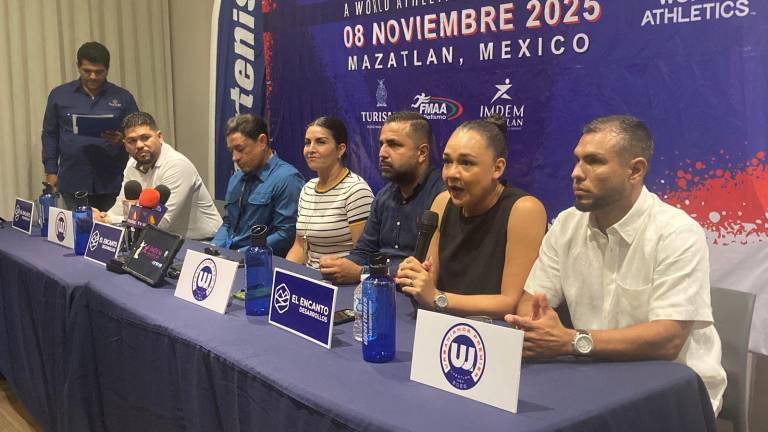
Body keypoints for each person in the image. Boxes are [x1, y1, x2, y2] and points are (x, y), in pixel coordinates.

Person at [504, 115, 727, 413]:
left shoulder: (677, 233)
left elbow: (668, 340)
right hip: (593, 376)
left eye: (593, 162)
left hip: (673, 388)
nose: (576, 173)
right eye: (577, 160)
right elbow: (530, 300)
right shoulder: (566, 224)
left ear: (635, 170)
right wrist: (536, 326)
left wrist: (570, 341)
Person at [395, 116, 546, 318]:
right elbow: (431, 281)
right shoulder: (442, 202)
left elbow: (511, 303)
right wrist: (417, 277)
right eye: (447, 161)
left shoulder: (524, 210)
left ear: (497, 168)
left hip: (494, 329)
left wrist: (438, 298)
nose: (451, 173)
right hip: (442, 324)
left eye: (466, 163)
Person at [319, 112, 445, 284]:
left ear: (422, 152)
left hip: (416, 293)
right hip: (378, 287)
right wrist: (339, 265)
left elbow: (425, 267)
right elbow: (364, 252)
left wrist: (362, 273)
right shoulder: (384, 196)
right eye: (381, 144)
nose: (382, 153)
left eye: (393, 145)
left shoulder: (442, 197)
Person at [42, 41, 139, 211]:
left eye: (99, 72)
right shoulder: (59, 95)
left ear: (107, 69)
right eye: (87, 71)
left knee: (112, 226)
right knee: (79, 225)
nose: (93, 76)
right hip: (73, 178)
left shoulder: (123, 97)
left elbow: (138, 133)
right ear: (78, 67)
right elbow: (50, 134)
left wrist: (123, 140)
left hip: (113, 180)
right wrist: (51, 171)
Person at [94, 112, 222, 239]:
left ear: (159, 137)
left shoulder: (177, 165)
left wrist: (109, 221)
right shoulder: (132, 162)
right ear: (125, 145)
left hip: (204, 241)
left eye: (145, 138)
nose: (139, 145)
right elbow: (122, 207)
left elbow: (162, 223)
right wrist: (102, 218)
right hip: (164, 237)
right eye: (131, 141)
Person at [285, 117, 374, 269]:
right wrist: (285, 273)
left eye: (321, 142)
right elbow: (299, 247)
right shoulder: (307, 188)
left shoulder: (356, 191)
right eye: (307, 142)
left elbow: (363, 254)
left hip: (341, 279)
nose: (311, 149)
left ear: (340, 149)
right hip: (309, 276)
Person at [212, 114, 305, 255]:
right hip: (230, 256)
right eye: (231, 151)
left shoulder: (287, 179)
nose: (234, 157)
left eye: (240, 149)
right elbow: (228, 224)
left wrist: (241, 254)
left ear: (262, 141)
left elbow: (286, 234)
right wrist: (213, 248)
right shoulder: (235, 179)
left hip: (262, 260)